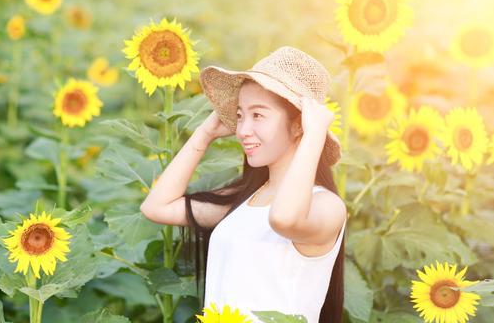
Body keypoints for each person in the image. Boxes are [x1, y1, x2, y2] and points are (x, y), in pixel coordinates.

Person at [140, 46, 347, 323]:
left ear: (299, 126)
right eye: (239, 115)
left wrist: (315, 135)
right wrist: (204, 134)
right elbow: (157, 207)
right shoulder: (244, 201)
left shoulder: (326, 207)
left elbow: (284, 219)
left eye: (258, 115)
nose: (242, 130)